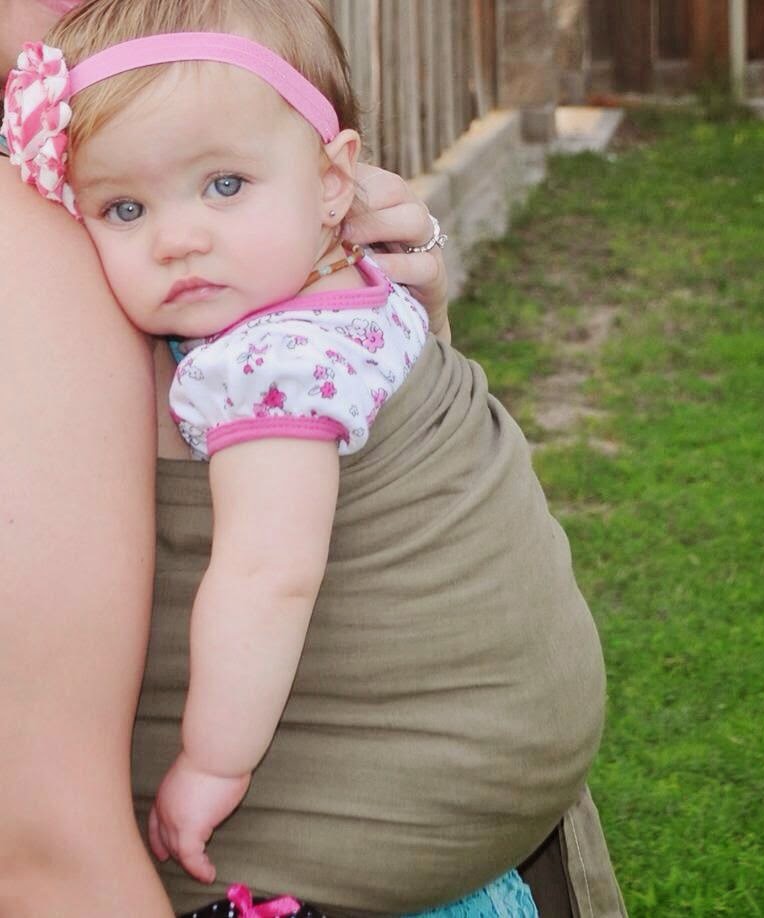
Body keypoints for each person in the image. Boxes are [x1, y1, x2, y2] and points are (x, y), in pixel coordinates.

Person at [1, 0, 626, 915]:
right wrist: (215, 764)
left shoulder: (279, 335)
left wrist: (419, 313)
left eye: (224, 184)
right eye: (125, 208)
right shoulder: (63, 266)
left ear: (334, 179)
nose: (178, 237)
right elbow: (266, 576)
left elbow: (324, 525)